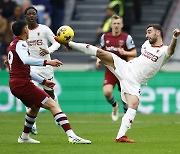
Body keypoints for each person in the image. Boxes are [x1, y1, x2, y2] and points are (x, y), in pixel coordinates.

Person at [55, 24, 180, 143]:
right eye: (146, 32)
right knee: (101, 53)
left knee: (134, 104)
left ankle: (121, 136)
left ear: (158, 33)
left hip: (134, 81)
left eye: (149, 32)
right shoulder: (146, 44)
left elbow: (171, 49)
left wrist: (174, 37)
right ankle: (70, 44)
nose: (147, 35)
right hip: (126, 68)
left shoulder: (164, 51)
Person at [7, 19, 91, 144]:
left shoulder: (13, 45)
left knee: (34, 107)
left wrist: (43, 81)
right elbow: (26, 60)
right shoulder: (21, 44)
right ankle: (72, 136)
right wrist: (47, 62)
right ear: (25, 30)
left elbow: (25, 69)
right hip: (22, 84)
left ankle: (24, 137)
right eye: (27, 28)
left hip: (16, 84)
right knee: (53, 105)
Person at [24, 6, 60, 135]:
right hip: (31, 68)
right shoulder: (24, 31)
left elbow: (57, 42)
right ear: (26, 17)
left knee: (49, 94)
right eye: (29, 14)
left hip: (46, 67)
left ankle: (58, 112)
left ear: (37, 16)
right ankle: (31, 123)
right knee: (31, 96)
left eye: (34, 13)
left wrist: (49, 50)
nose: (32, 16)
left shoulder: (44, 29)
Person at [96, 15, 137, 121]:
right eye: (114, 23)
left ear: (122, 25)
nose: (116, 25)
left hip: (123, 71)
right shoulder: (105, 37)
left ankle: (125, 111)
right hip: (110, 70)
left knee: (125, 97)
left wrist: (125, 52)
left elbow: (134, 53)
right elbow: (101, 50)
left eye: (118, 23)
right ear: (111, 25)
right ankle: (115, 105)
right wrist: (98, 59)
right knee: (107, 92)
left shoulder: (127, 38)